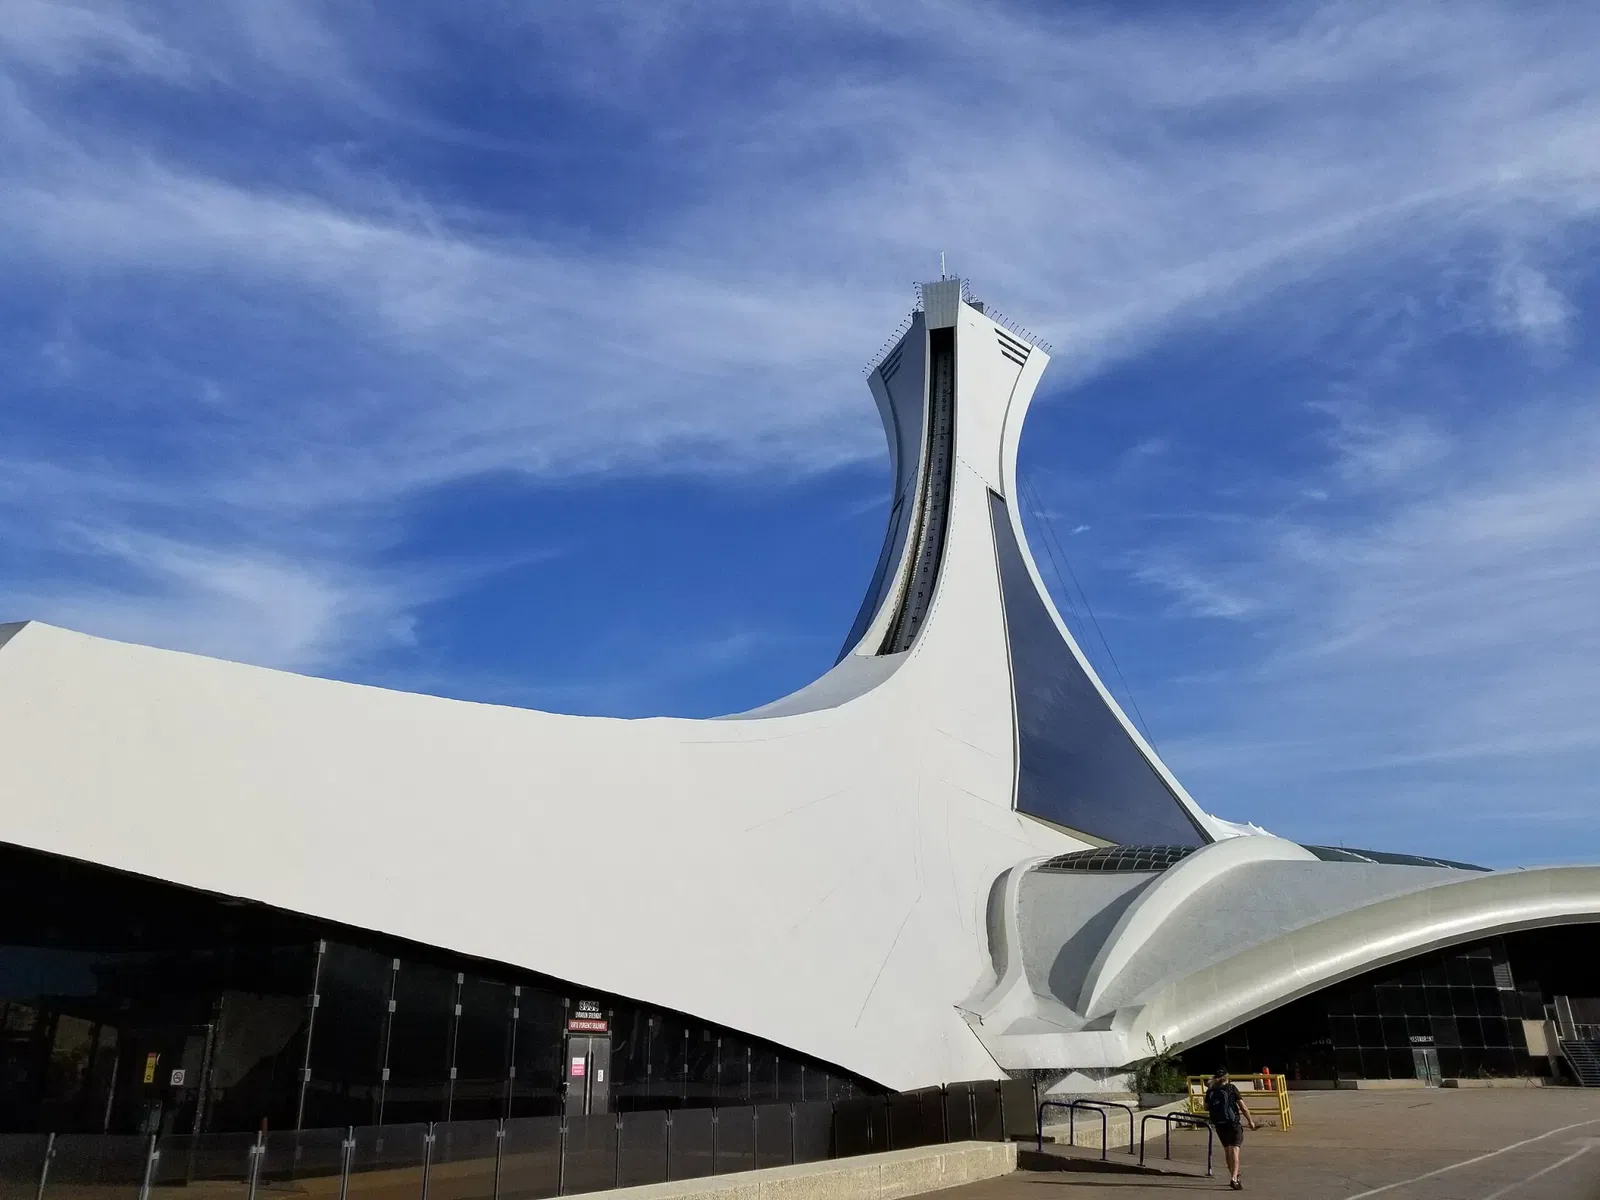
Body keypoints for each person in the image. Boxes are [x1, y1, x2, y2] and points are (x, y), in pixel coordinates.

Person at [1205, 1069, 1258, 1189]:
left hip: (1219, 1124)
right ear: (1227, 1078)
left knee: (1227, 1150)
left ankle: (1234, 1175)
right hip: (1233, 1123)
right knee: (1235, 1150)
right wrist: (1250, 1121)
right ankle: (1234, 1178)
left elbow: (1206, 1107)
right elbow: (1243, 1108)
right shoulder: (1231, 1088)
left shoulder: (1211, 1090)